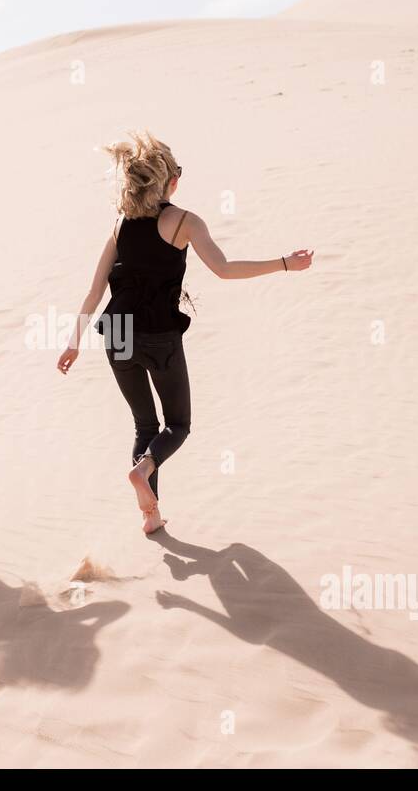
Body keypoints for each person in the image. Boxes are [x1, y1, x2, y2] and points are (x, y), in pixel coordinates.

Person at [57, 131, 312, 533]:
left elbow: (94, 289)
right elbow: (225, 270)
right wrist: (284, 264)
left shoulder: (120, 225)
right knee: (177, 425)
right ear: (169, 181)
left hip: (117, 332)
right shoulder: (185, 222)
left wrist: (72, 342)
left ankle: (151, 516)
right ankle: (145, 472)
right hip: (158, 333)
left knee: (144, 425)